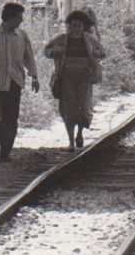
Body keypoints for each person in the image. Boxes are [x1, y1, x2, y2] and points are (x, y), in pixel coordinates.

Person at [0, 2, 40, 162]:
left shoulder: (22, 36)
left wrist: (34, 76)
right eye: (19, 18)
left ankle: (5, 152)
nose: (21, 21)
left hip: (14, 82)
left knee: (11, 118)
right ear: (9, 18)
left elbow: (28, 57)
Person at [44, 10, 106, 150]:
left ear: (83, 27)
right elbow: (47, 50)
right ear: (69, 26)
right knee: (68, 107)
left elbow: (102, 52)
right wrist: (55, 51)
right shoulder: (62, 39)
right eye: (73, 26)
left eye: (79, 26)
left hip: (84, 76)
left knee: (83, 106)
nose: (76, 29)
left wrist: (96, 54)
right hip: (66, 77)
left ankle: (79, 133)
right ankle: (71, 142)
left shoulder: (90, 39)